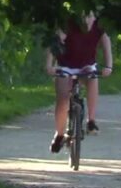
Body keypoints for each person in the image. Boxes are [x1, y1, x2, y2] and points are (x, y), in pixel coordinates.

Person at [44, 11, 113, 153]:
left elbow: (107, 46)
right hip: (66, 65)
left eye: (89, 17)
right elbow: (54, 43)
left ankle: (91, 121)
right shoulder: (68, 26)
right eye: (83, 17)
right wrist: (49, 65)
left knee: (93, 78)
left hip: (86, 65)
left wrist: (108, 66)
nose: (86, 21)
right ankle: (60, 134)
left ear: (95, 18)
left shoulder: (99, 28)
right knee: (63, 99)